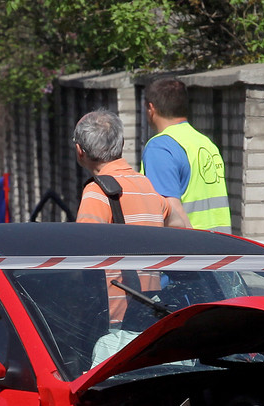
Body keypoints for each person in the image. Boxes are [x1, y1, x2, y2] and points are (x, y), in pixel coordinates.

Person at [72, 109, 185, 331]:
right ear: (122, 144)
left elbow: (82, 256)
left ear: (79, 151)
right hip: (149, 310)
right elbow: (180, 228)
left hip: (114, 318)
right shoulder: (146, 186)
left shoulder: (97, 192)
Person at [141, 77, 231, 232]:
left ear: (151, 108)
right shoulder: (206, 144)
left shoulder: (160, 147)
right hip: (219, 247)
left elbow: (171, 209)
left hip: (190, 250)